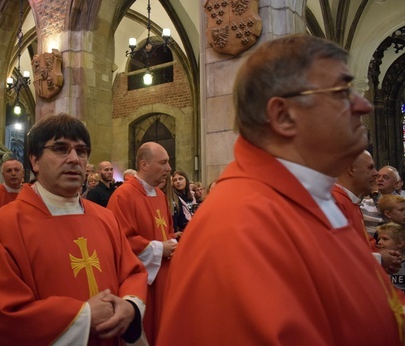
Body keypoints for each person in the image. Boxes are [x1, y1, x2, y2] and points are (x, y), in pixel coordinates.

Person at [156, 35, 403, 345]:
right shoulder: (239, 229)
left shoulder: (311, 199)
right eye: (341, 92)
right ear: (284, 116)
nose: (363, 105)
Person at [0, 113, 147, 345]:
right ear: (35, 161)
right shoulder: (2, 227)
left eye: (81, 151)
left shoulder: (105, 218)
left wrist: (130, 305)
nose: (74, 159)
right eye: (60, 149)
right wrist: (82, 316)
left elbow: (132, 272)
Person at [107, 141, 177, 343]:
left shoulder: (162, 195)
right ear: (144, 164)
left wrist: (172, 245)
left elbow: (168, 230)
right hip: (140, 283)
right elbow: (121, 240)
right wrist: (159, 248)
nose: (169, 169)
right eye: (163, 163)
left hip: (163, 277)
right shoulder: (123, 195)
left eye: (168, 163)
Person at [333, 150, 401, 273]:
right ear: (352, 169)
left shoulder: (351, 202)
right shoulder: (334, 202)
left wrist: (385, 254)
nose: (376, 174)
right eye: (370, 168)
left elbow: (362, 242)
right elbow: (336, 255)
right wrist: (379, 259)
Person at [361, 165, 401, 237]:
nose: (380, 179)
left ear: (397, 184)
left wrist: (375, 195)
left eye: (385, 177)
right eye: (378, 177)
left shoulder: (402, 204)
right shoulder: (364, 203)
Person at [159, 172, 191, 237]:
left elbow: (181, 221)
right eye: (175, 180)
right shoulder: (150, 197)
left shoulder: (174, 197)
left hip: (173, 240)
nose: (178, 182)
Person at [377, 222, 405, 291]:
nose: (379, 242)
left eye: (385, 239)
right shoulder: (377, 263)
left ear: (400, 243)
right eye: (379, 239)